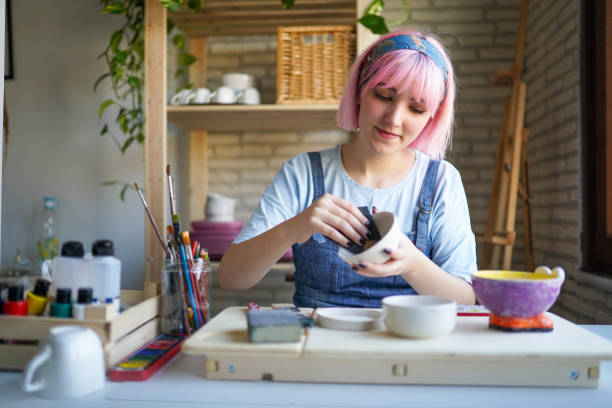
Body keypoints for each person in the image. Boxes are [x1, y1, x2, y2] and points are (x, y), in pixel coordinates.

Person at [218, 29, 477, 307]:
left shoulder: (441, 181)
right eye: (384, 96)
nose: (394, 119)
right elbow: (231, 278)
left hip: (407, 346)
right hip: (317, 345)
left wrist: (412, 263)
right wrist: (295, 227)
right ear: (359, 92)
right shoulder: (302, 173)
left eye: (416, 109)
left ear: (431, 118)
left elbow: (467, 299)